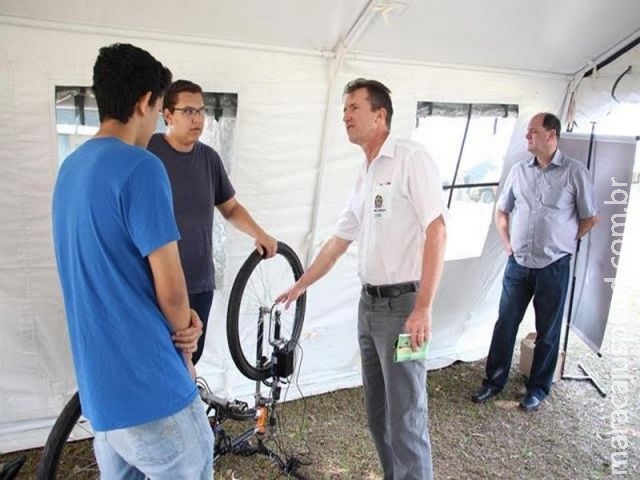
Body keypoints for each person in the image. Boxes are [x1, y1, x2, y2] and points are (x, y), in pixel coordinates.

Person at [52, 44, 213, 478]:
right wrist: (188, 330)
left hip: (102, 397)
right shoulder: (141, 168)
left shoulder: (70, 169)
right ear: (146, 102)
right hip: (152, 388)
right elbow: (173, 287)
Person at [277, 78, 447, 480]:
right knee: (378, 417)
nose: (345, 116)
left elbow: (437, 230)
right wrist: (301, 284)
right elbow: (338, 242)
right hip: (368, 309)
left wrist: (423, 307)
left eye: (353, 107)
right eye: (344, 109)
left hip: (404, 309)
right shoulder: (366, 172)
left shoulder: (410, 159)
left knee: (406, 418)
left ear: (380, 114)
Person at [471, 112, 599, 412]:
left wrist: (563, 242)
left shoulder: (574, 172)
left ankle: (537, 389)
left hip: (553, 266)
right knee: (505, 323)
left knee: (547, 330)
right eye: (527, 132)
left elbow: (590, 217)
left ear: (552, 136)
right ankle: (493, 382)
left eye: (533, 132)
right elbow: (502, 211)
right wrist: (507, 244)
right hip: (518, 263)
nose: (527, 137)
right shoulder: (519, 171)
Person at [148, 79, 277, 365]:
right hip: (155, 283)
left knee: (190, 359)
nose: (197, 119)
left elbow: (229, 207)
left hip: (198, 281)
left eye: (201, 111)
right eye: (189, 111)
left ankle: (190, 409)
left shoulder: (209, 159)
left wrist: (259, 233)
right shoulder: (148, 153)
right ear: (167, 115)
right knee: (157, 361)